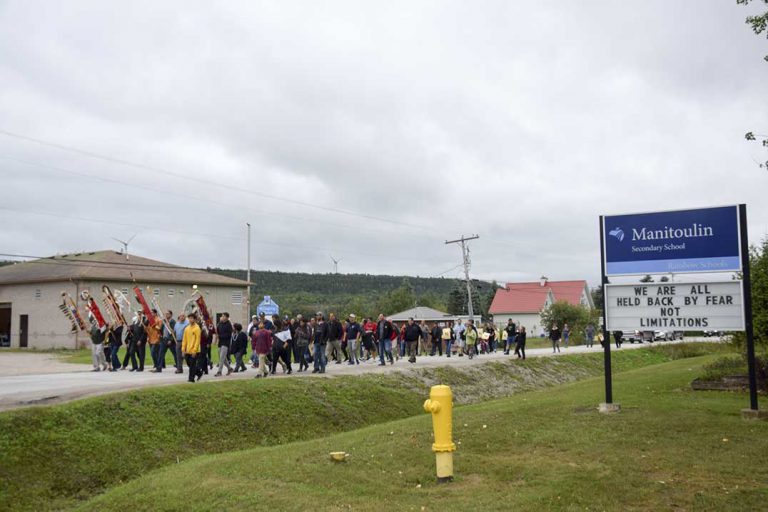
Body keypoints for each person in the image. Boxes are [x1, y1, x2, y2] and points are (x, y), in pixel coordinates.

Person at [182, 314, 202, 383]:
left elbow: (197, 340)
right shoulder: (187, 328)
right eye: (189, 318)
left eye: (192, 318)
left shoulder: (197, 328)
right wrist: (183, 349)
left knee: (192, 365)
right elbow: (184, 339)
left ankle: (191, 379)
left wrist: (194, 350)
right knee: (188, 363)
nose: (190, 320)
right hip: (188, 350)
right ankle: (199, 373)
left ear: (195, 319)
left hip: (195, 350)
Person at [215, 312, 234, 377]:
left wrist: (220, 336)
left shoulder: (229, 325)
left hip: (226, 343)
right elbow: (217, 330)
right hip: (220, 342)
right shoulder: (220, 323)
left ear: (227, 317)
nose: (222, 317)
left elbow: (228, 335)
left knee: (221, 358)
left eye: (223, 316)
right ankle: (229, 368)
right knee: (222, 357)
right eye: (222, 316)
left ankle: (219, 371)